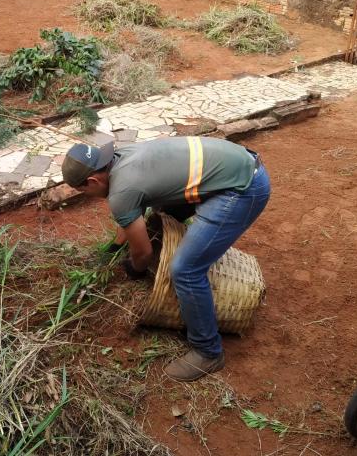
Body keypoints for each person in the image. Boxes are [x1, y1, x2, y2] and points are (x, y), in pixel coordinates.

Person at [61, 136, 270, 382]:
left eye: (83, 191)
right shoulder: (123, 157)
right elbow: (129, 215)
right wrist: (116, 247)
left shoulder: (122, 191)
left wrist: (135, 269)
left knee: (185, 270)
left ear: (92, 181)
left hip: (242, 189)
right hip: (237, 164)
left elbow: (143, 253)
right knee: (158, 216)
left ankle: (208, 351)